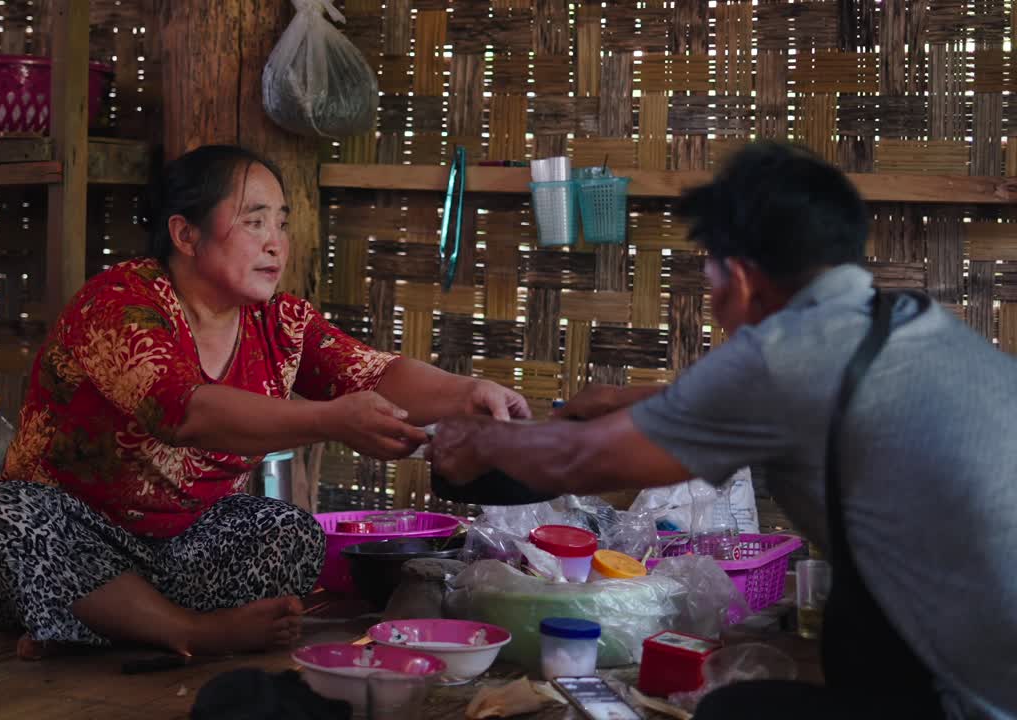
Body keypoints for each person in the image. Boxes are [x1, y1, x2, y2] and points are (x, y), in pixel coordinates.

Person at [429, 141, 1017, 719]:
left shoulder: (783, 356)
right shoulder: (905, 324)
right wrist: (618, 400)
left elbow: (577, 462)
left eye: (708, 270)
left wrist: (478, 440)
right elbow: (761, 404)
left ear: (738, 275)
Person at [0, 145, 530, 661]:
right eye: (254, 221)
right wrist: (331, 421)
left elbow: (373, 372)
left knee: (290, 534)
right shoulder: (120, 303)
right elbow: (186, 413)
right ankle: (186, 630)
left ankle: (97, 624)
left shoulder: (279, 322)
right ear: (186, 234)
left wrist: (467, 394)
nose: (275, 242)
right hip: (73, 538)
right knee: (4, 516)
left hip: (180, 553)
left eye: (281, 222)